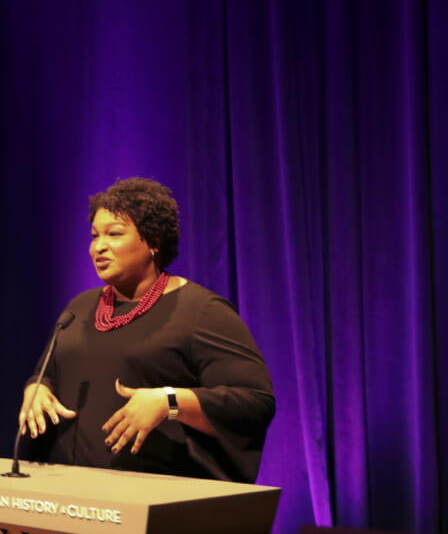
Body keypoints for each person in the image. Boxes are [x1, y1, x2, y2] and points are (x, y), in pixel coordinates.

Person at [17, 178, 275, 482]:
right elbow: (47, 372)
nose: (99, 246)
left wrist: (169, 402)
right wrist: (37, 389)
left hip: (155, 499)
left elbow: (254, 402)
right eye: (94, 235)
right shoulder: (80, 308)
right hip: (65, 491)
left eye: (114, 234)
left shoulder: (201, 311)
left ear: (153, 241)